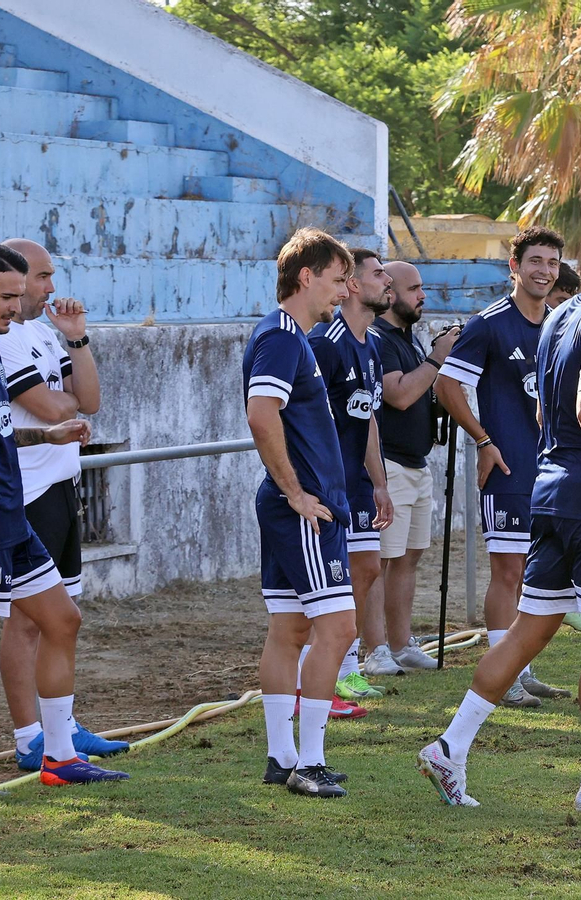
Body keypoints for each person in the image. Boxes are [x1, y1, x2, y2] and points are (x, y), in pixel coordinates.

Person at [417, 214, 581, 813]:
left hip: (550, 494)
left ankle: (450, 746)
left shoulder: (560, 315)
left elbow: (544, 410)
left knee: (533, 629)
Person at [0, 241, 128, 801]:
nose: (22, 300)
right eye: (11, 293)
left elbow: (2, 431)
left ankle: (58, 754)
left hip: (10, 517)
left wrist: (44, 434)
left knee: (62, 620)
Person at [244, 227, 360, 798]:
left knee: (289, 629)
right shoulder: (283, 337)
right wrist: (294, 492)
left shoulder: (292, 336)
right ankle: (308, 764)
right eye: (339, 280)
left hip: (302, 506)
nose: (346, 291)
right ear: (306, 276)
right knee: (338, 628)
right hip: (304, 510)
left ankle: (281, 755)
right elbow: (261, 414)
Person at [436, 227, 574, 708]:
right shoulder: (488, 324)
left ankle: (522, 668)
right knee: (508, 571)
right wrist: (484, 440)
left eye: (552, 263)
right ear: (514, 267)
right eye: (535, 261)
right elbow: (447, 386)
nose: (544, 270)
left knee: (539, 575)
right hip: (510, 469)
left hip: (555, 471)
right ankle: (502, 677)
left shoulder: (561, 322)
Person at [304, 248, 396, 715]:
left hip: (356, 484)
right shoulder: (325, 343)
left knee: (364, 570)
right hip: (324, 488)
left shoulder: (373, 343)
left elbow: (368, 417)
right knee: (326, 584)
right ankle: (315, 676)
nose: (388, 282)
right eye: (379, 274)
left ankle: (344, 669)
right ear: (354, 285)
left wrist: (379, 482)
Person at [367, 261, 461, 673]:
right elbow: (399, 395)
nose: (423, 296)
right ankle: (374, 650)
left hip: (417, 463)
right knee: (381, 562)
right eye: (414, 288)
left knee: (409, 555)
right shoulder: (379, 339)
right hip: (389, 464)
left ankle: (401, 643)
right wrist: (437, 361)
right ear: (390, 294)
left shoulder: (408, 339)